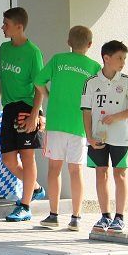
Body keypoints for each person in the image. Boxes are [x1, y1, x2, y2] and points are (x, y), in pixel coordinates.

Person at [32, 26, 101, 231]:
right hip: (80, 125)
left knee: (54, 169)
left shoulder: (58, 60)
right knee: (76, 171)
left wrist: (49, 96)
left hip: (56, 122)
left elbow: (38, 81)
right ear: (90, 44)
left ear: (68, 42)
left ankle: (53, 216)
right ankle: (76, 218)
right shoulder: (94, 67)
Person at [0, 7, 46, 222]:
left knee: (27, 157)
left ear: (19, 27)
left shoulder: (33, 52)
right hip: (9, 108)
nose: (2, 27)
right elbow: (3, 80)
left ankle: (25, 206)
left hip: (27, 107)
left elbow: (39, 87)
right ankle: (35, 188)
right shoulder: (4, 48)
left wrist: (35, 114)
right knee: (8, 159)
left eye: (6, 24)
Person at [81, 40, 128, 234]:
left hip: (120, 137)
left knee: (119, 174)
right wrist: (89, 137)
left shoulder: (127, 81)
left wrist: (116, 117)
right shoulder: (91, 82)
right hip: (97, 137)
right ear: (106, 58)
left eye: (124, 58)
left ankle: (119, 217)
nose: (123, 62)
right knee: (101, 172)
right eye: (119, 58)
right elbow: (86, 112)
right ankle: (105, 215)